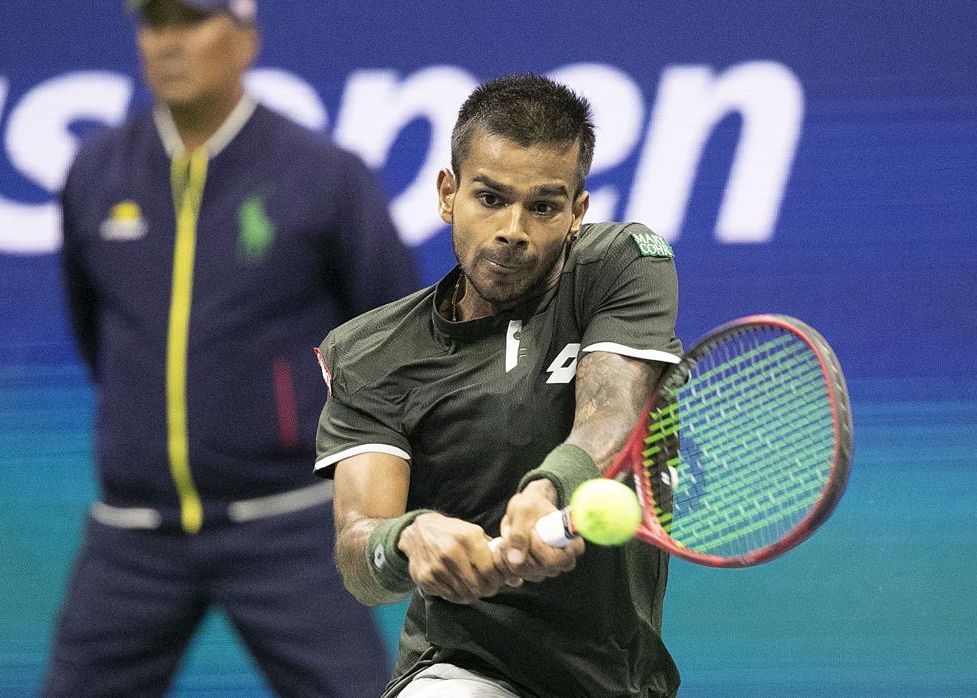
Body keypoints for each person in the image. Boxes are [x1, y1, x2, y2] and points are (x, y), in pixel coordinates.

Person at [43, 0, 419, 695]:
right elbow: (96, 336)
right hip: (135, 534)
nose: (168, 42)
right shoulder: (96, 172)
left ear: (246, 39)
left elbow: (394, 341)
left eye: (191, 20)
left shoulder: (325, 175)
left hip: (289, 524)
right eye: (154, 24)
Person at [314, 74, 684, 697]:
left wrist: (549, 489)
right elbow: (358, 553)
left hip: (618, 674)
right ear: (447, 194)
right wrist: (405, 538)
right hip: (463, 666)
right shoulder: (371, 354)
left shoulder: (624, 263)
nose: (513, 229)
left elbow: (613, 411)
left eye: (543, 206)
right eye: (490, 198)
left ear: (577, 212)